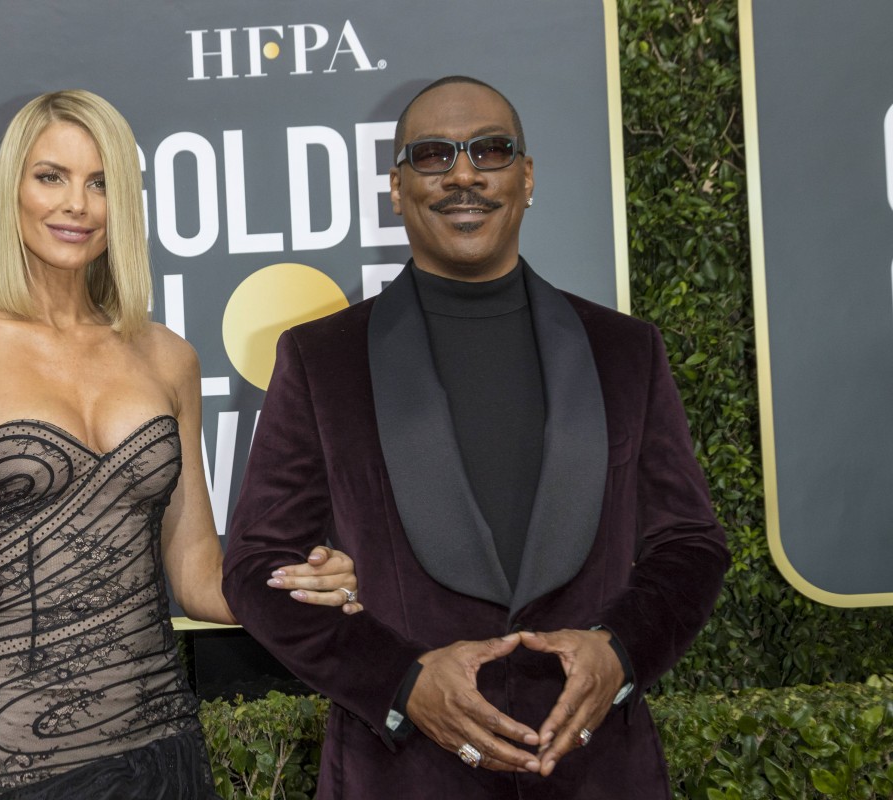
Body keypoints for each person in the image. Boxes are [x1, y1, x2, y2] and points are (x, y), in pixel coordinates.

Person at [222, 75, 730, 798]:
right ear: (396, 189)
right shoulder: (321, 360)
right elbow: (256, 569)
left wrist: (618, 652)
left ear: (526, 179)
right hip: (403, 776)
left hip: (595, 774)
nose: (464, 174)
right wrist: (401, 684)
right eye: (432, 155)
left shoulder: (625, 352)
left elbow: (690, 544)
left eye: (490, 151)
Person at [0, 90, 361, 800]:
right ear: (13, 186)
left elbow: (196, 573)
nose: (77, 203)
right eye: (52, 176)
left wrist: (301, 586)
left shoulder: (167, 358)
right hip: (14, 759)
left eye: (100, 182)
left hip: (162, 749)